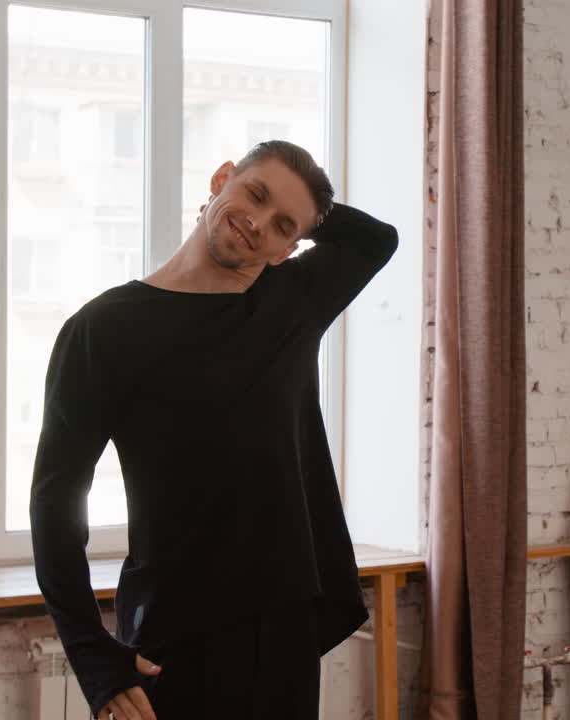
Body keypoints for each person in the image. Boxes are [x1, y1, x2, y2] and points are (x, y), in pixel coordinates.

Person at [29, 140, 398, 719]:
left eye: (282, 226)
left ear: (288, 249)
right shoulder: (104, 329)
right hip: (173, 635)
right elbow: (54, 505)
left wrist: (303, 213)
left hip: (284, 628)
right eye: (254, 194)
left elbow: (376, 239)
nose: (257, 223)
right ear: (220, 177)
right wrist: (93, 659)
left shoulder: (293, 300)